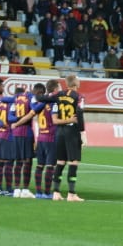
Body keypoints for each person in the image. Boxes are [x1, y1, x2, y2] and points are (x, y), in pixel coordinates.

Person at [49, 73, 86, 201]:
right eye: (78, 80)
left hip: (60, 131)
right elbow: (80, 113)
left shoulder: (59, 97)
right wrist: (83, 133)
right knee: (73, 162)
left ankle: (56, 192)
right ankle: (71, 193)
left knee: (60, 162)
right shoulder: (79, 97)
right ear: (75, 83)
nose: (80, 82)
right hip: (72, 131)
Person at [32, 80, 60, 199]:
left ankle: (38, 192)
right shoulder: (54, 103)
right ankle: (47, 192)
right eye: (59, 88)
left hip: (41, 137)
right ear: (55, 90)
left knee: (39, 166)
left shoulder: (40, 104)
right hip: (51, 138)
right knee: (50, 166)